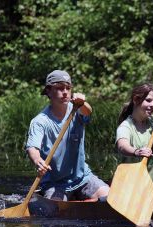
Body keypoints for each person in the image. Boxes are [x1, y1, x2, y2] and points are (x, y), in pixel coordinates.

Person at [25, 70, 109, 201]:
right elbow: (32, 148)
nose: (65, 92)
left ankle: (84, 200)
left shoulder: (77, 109)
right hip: (55, 183)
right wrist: (37, 161)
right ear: (48, 91)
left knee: (109, 198)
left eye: (68, 88)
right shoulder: (40, 121)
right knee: (56, 214)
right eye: (59, 88)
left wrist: (82, 103)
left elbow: (88, 111)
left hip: (82, 178)